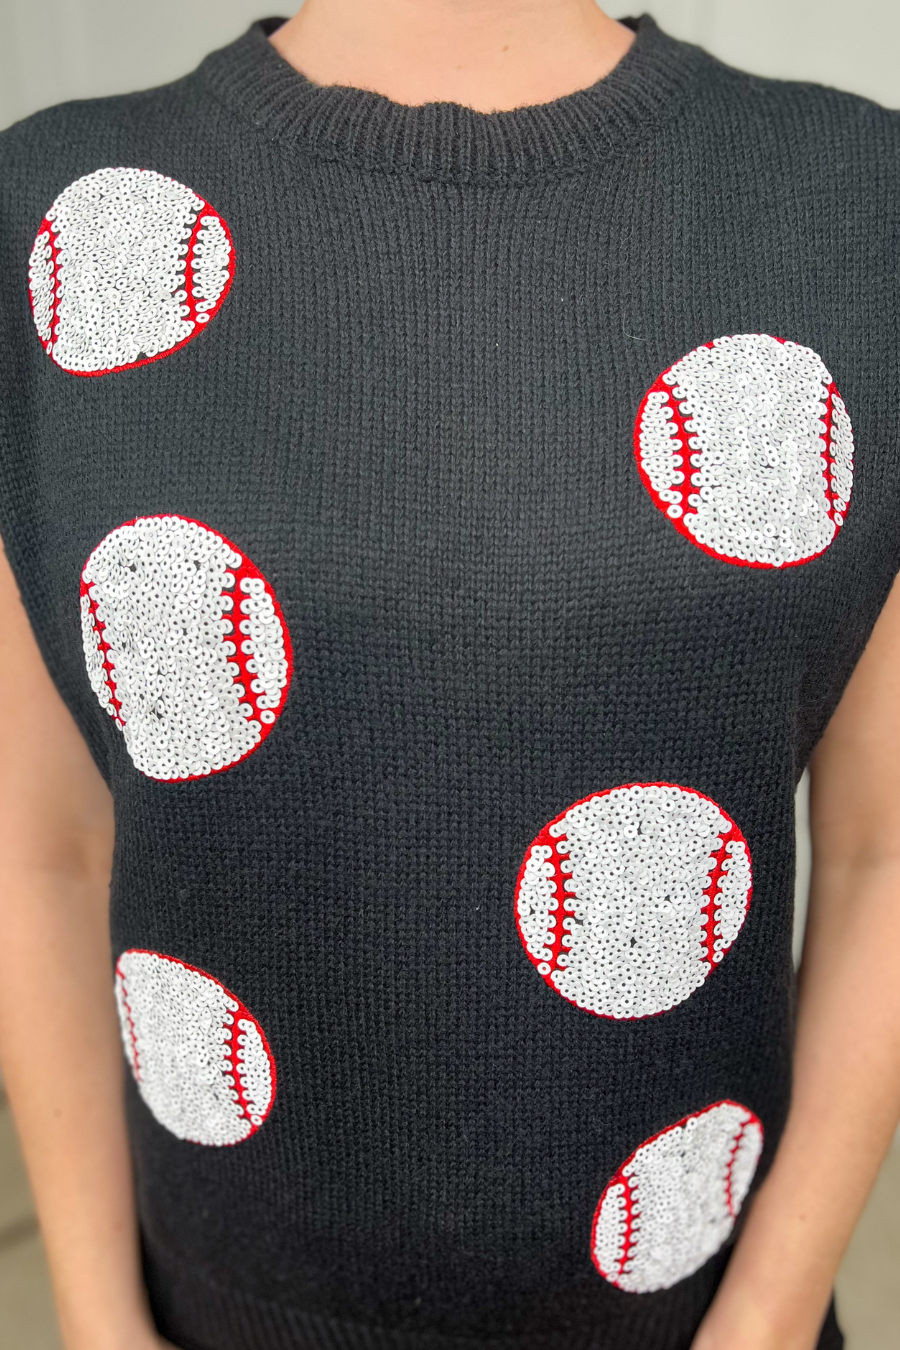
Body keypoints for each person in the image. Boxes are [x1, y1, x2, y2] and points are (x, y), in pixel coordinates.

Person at [1, 3, 899, 1348]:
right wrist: (95, 1318)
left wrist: (764, 1322)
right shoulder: (53, 218)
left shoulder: (852, 208)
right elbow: (41, 844)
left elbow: (887, 849)